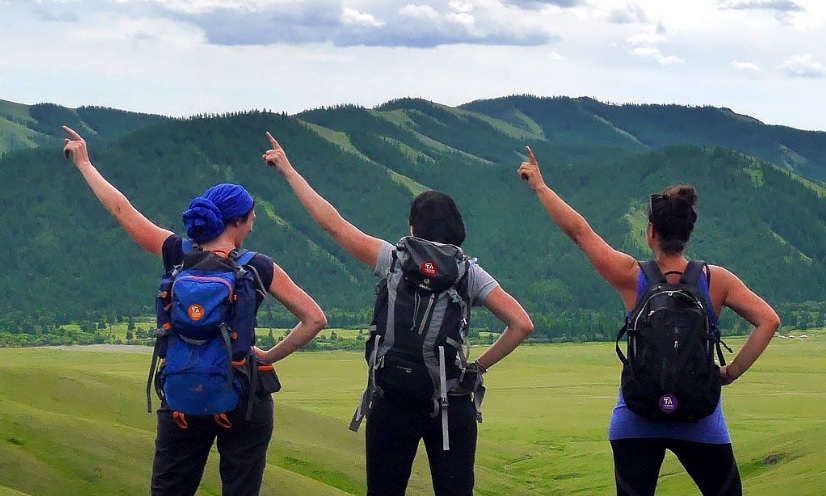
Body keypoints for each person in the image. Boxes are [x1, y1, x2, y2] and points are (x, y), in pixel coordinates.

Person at [261, 131, 534, 496]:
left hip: (391, 399)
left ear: (412, 228)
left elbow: (333, 224)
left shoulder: (393, 259)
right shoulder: (468, 273)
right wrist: (475, 368)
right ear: (456, 229)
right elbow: (521, 324)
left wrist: (289, 170)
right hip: (450, 403)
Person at [61, 126, 327, 496]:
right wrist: (266, 354)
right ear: (236, 221)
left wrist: (85, 163)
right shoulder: (258, 266)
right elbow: (314, 318)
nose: (254, 223)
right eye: (251, 216)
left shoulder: (175, 252)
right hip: (243, 398)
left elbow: (123, 210)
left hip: (181, 394)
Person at [517, 146, 780, 495]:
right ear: (689, 233)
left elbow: (580, 232)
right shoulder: (718, 281)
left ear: (651, 233)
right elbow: (769, 321)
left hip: (636, 417)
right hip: (700, 419)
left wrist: (540, 186)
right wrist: (730, 372)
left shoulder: (632, 276)